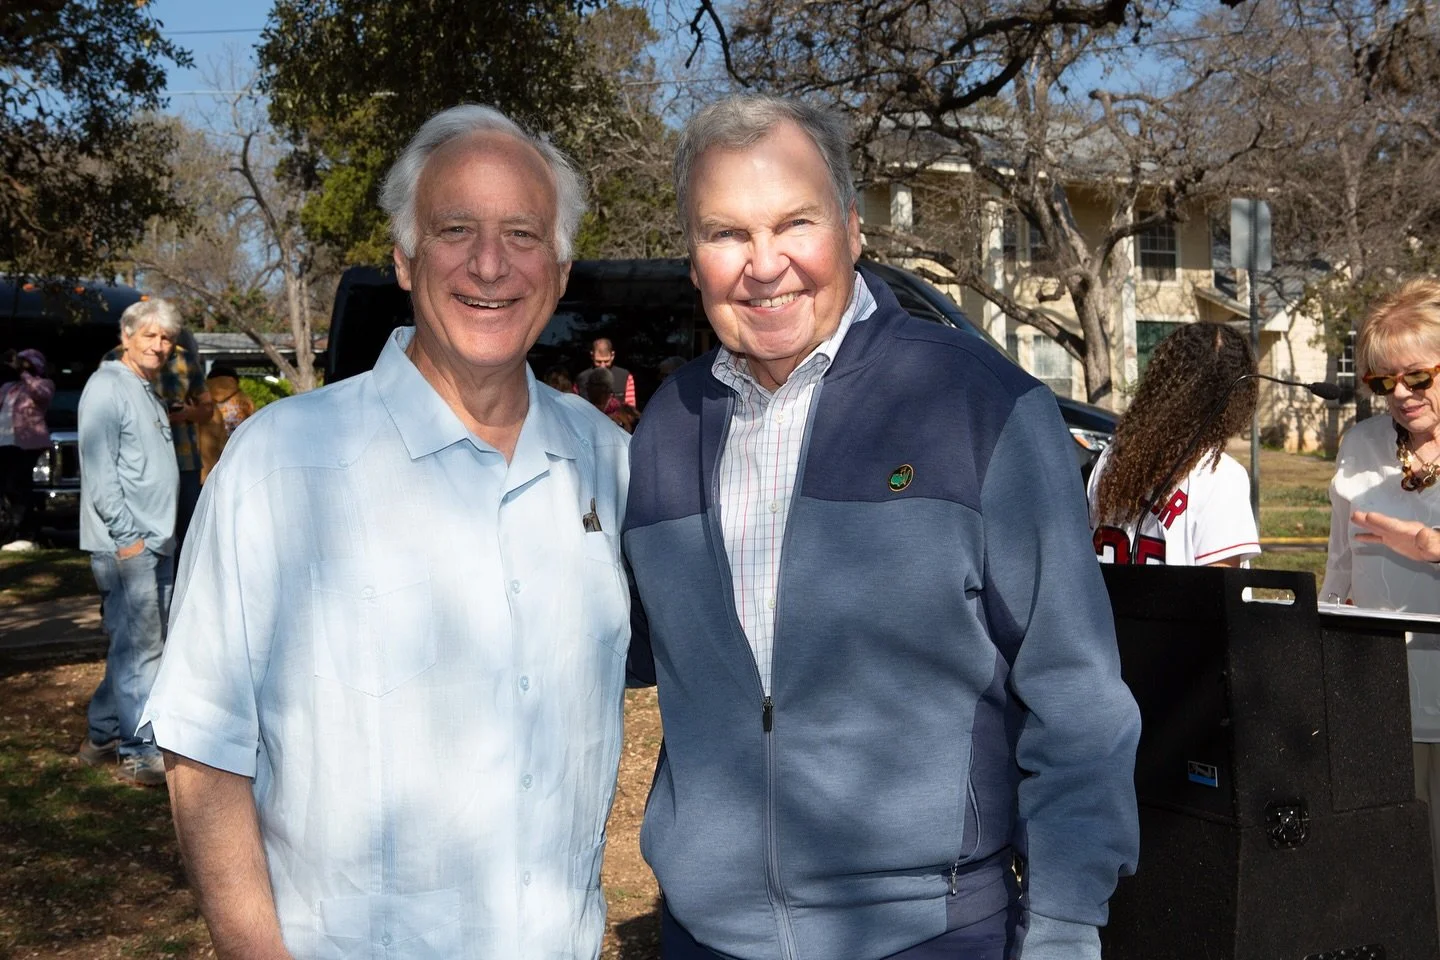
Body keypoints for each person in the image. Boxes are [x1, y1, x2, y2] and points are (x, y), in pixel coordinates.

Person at [622, 94, 1139, 959]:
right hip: (704, 937)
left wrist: (1063, 924)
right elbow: (628, 651)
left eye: (795, 222)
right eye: (726, 233)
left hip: (932, 933)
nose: (764, 263)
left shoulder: (985, 406)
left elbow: (1076, 695)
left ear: (854, 229)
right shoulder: (667, 426)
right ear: (692, 258)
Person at [140, 105, 631, 959]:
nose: (489, 263)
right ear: (404, 259)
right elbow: (203, 751)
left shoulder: (612, 466)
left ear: (559, 268)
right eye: (455, 230)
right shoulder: (280, 467)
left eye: (522, 232)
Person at [1321, 278, 1440, 930]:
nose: (1399, 394)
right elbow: (1340, 561)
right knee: (1386, 884)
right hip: (1378, 701)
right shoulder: (1362, 444)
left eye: (1417, 377)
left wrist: (1428, 545)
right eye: (1382, 381)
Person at [76, 299, 182, 786]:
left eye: (166, 338)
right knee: (143, 648)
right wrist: (128, 540)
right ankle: (139, 752)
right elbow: (100, 475)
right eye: (150, 336)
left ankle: (102, 735)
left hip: (154, 540)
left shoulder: (143, 387)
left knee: (132, 644)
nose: (160, 346)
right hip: (129, 545)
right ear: (127, 336)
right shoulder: (106, 386)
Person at [1087, 322, 1261, 567]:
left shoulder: (1110, 458)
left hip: (1110, 606)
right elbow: (1221, 594)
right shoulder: (1221, 476)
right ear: (1238, 392)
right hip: (1180, 607)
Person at [103, 326, 211, 554]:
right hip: (139, 462)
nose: (158, 342)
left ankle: (183, 587)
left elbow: (207, 410)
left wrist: (186, 414)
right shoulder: (115, 358)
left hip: (184, 461)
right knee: (144, 535)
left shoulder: (184, 358)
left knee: (188, 535)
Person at [0, 348, 55, 550]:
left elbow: (41, 395)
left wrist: (25, 373)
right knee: (6, 488)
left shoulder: (43, 384)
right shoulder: (9, 388)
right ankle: (9, 531)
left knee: (19, 486)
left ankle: (26, 533)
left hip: (26, 445)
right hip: (5, 443)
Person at [196, 364, 255, 483]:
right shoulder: (246, 401)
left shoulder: (201, 401)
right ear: (234, 380)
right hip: (239, 463)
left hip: (208, 466)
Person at [575, 337, 636, 406]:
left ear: (612, 355)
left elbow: (630, 409)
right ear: (592, 356)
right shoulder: (581, 378)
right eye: (598, 361)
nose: (602, 365)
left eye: (606, 361)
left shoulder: (625, 376)